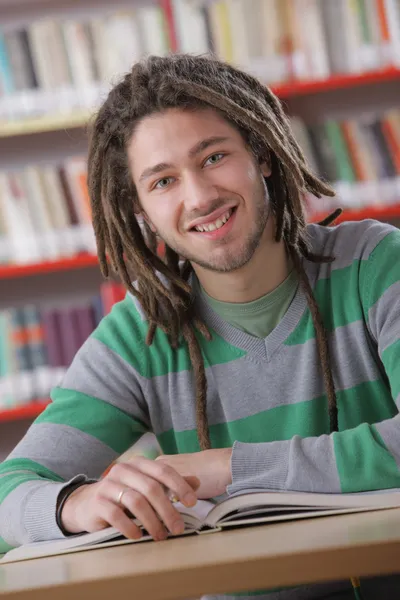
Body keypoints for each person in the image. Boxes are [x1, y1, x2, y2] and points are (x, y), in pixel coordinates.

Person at [1, 53, 400, 600]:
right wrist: (76, 504)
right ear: (139, 207)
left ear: (260, 153)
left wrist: (224, 468)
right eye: (163, 181)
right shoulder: (139, 337)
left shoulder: (377, 266)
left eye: (213, 157)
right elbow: (8, 495)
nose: (199, 196)